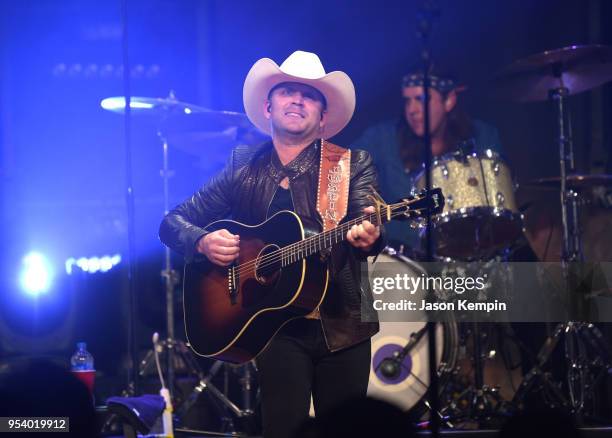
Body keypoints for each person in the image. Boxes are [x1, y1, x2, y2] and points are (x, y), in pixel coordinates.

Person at [159, 50, 385, 438]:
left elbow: (367, 215)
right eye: (287, 91)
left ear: (323, 116)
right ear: (268, 106)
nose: (297, 99)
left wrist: (369, 237)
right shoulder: (243, 167)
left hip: (344, 323)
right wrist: (202, 242)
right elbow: (171, 222)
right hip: (275, 326)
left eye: (310, 95)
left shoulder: (353, 163)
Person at [353, 67, 502, 251]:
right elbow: (342, 168)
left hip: (470, 251)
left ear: (448, 101)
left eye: (421, 99)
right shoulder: (382, 137)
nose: (412, 110)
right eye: (407, 101)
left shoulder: (482, 136)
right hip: (400, 258)